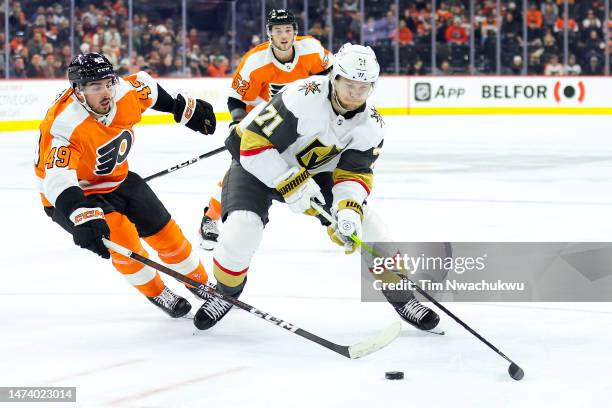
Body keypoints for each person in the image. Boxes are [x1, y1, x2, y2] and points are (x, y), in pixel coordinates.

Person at [192, 43, 440, 333]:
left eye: (364, 87)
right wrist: (292, 184)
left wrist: (348, 210)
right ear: (335, 77)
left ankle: (401, 296)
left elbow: (355, 174)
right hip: (257, 165)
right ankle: (226, 291)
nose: (355, 94)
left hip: (315, 173)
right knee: (241, 229)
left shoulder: (371, 125)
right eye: (349, 85)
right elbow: (251, 146)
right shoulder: (301, 96)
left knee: (370, 226)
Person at [35, 53, 217, 318]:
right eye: (96, 87)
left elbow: (149, 88)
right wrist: (81, 216)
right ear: (78, 91)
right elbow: (57, 180)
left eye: (108, 82)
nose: (106, 92)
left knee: (167, 234)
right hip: (75, 195)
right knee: (124, 239)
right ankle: (157, 292)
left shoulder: (123, 91)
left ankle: (199, 282)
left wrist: (184, 109)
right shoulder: (63, 125)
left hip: (118, 178)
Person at [198, 9, 333, 250]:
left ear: (295, 32)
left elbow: (330, 77)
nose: (284, 35)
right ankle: (209, 217)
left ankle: (333, 212)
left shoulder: (312, 49)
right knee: (244, 169)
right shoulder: (255, 61)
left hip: (302, 120)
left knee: (317, 160)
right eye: (278, 30)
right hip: (264, 121)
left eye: (288, 30)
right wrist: (237, 123)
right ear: (269, 34)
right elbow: (236, 99)